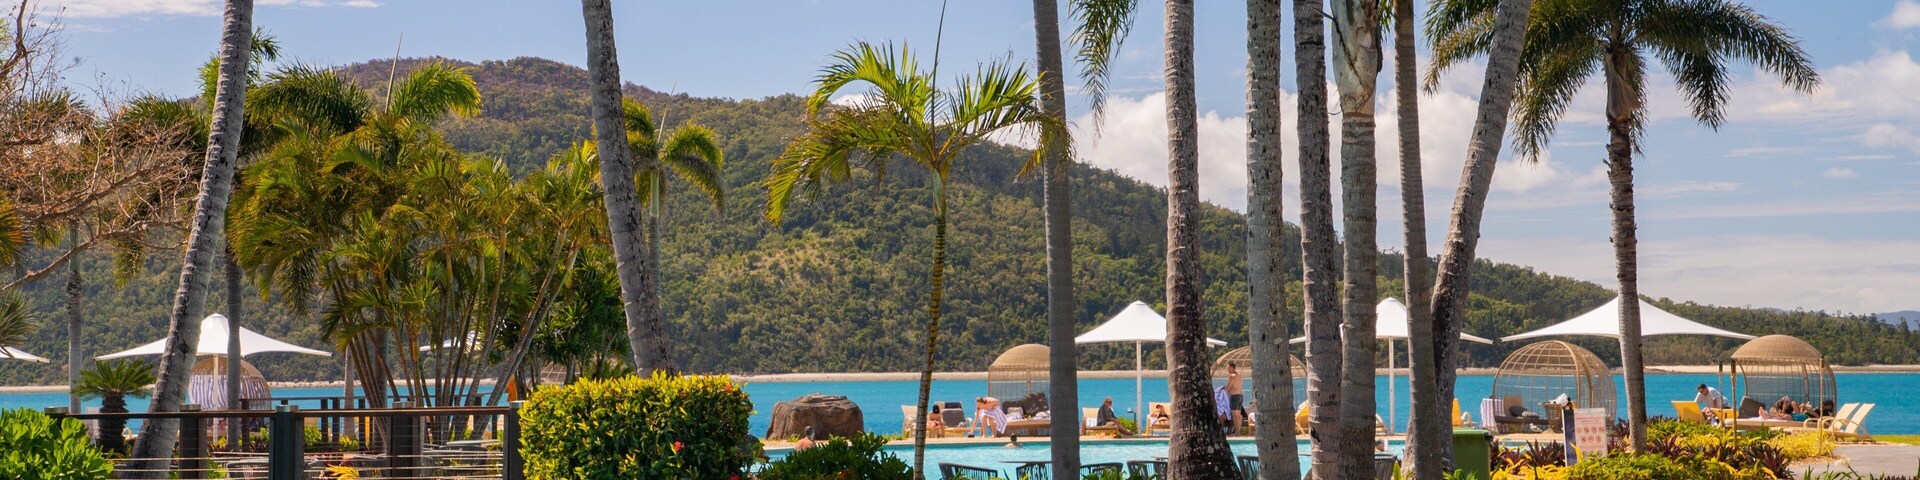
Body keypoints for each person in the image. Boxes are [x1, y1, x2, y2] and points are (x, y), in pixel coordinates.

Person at [1226, 363, 1246, 433]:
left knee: (1235, 416)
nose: (1227, 369)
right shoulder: (1239, 376)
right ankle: (1239, 431)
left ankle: (1237, 432)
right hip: (1240, 396)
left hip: (1234, 396)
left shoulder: (1232, 376)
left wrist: (1222, 388)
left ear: (1232, 368)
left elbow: (1228, 387)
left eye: (1228, 368)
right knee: (1239, 415)